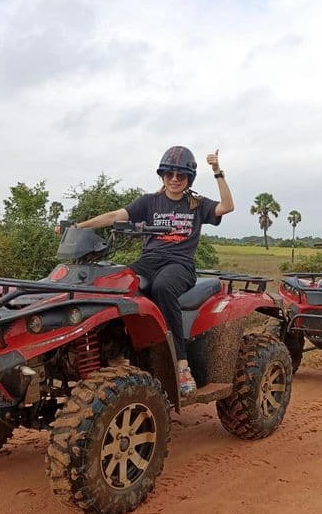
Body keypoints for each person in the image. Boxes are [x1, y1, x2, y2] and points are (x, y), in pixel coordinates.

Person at [68, 146, 234, 396]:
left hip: (179, 265)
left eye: (181, 175)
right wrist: (78, 227)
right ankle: (117, 355)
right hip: (149, 262)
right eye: (169, 174)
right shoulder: (149, 202)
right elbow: (115, 215)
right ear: (162, 175)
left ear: (189, 178)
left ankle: (181, 364)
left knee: (162, 288)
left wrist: (217, 171)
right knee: (116, 284)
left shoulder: (197, 204)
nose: (175, 179)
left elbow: (227, 206)